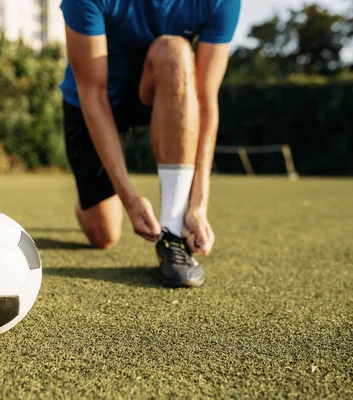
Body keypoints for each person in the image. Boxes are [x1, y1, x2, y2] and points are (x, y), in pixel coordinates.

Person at [60, 0, 241, 288]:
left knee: (174, 50)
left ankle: (172, 234)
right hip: (94, 100)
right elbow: (93, 94)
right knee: (103, 235)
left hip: (161, 86)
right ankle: (87, 206)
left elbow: (205, 100)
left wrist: (198, 203)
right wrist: (128, 198)